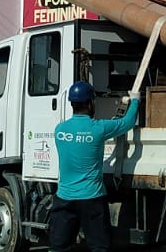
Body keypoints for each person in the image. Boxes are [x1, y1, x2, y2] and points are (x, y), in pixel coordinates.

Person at [49, 81, 139, 252]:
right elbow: (127, 123)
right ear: (90, 103)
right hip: (92, 199)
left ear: (72, 103)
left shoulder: (59, 130)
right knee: (99, 247)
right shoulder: (99, 128)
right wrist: (135, 100)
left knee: (58, 247)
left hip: (64, 199)